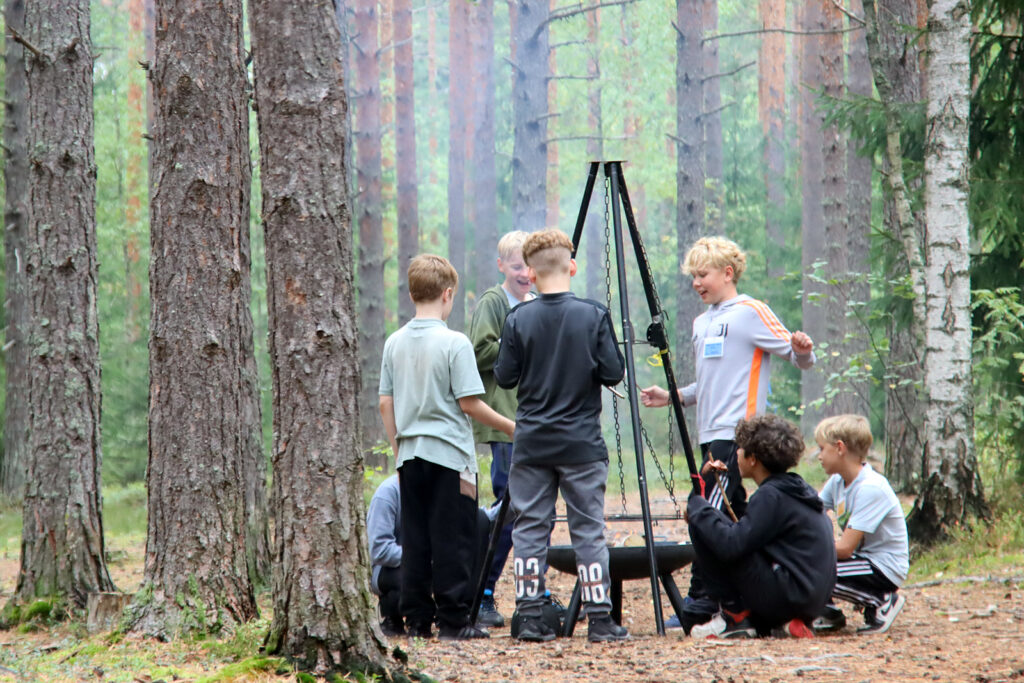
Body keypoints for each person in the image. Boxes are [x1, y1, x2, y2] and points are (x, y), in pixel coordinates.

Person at [639, 236, 816, 628]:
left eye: (702, 275)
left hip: (739, 434)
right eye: (692, 277)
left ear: (728, 273)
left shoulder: (750, 311)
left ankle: (705, 602)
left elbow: (798, 356)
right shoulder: (702, 322)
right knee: (733, 515)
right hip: (709, 432)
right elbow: (709, 382)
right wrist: (672, 396)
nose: (697, 283)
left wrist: (802, 348)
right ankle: (753, 594)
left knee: (709, 513)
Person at [494, 228, 629, 643]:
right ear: (571, 266)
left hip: (532, 443)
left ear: (530, 274)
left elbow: (504, 376)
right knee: (588, 528)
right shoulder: (593, 315)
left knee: (531, 527)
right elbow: (613, 372)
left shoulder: (518, 318)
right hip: (582, 444)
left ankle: (530, 616)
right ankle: (601, 620)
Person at [379, 254, 515, 641]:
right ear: (448, 294)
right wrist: (511, 427)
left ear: (411, 295)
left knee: (416, 539)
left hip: (410, 456)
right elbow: (469, 403)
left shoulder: (394, 342)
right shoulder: (455, 343)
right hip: (450, 458)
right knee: (454, 538)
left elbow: (385, 403)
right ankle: (455, 622)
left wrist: (397, 447)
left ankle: (418, 620)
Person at [686, 414, 837, 638]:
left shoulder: (771, 495)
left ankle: (734, 615)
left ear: (753, 459)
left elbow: (731, 545)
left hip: (788, 596)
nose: (735, 453)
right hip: (810, 601)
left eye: (740, 448)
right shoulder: (794, 489)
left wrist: (697, 504)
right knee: (715, 523)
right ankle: (787, 622)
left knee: (703, 521)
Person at [467, 230, 534, 627]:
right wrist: (523, 344)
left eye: (529, 266)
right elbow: (479, 351)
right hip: (504, 422)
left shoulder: (535, 301)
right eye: (516, 267)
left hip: (531, 421)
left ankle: (531, 593)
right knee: (507, 510)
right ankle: (483, 593)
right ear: (501, 267)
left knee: (530, 510)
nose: (524, 273)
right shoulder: (495, 302)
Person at [367, 474, 501, 638]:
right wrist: (426, 558)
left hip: (434, 564)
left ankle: (461, 613)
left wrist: (518, 497)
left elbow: (488, 518)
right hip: (392, 570)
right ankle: (394, 617)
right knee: (412, 575)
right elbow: (379, 550)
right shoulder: (388, 493)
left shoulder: (443, 489)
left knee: (478, 520)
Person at [813, 414, 909, 635]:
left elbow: (845, 549)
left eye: (821, 448)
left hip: (883, 567)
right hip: (865, 560)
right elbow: (812, 509)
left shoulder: (870, 487)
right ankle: (828, 611)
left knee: (813, 569)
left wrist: (805, 550)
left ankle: (883, 600)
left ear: (839, 448)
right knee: (808, 563)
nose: (819, 456)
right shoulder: (838, 481)